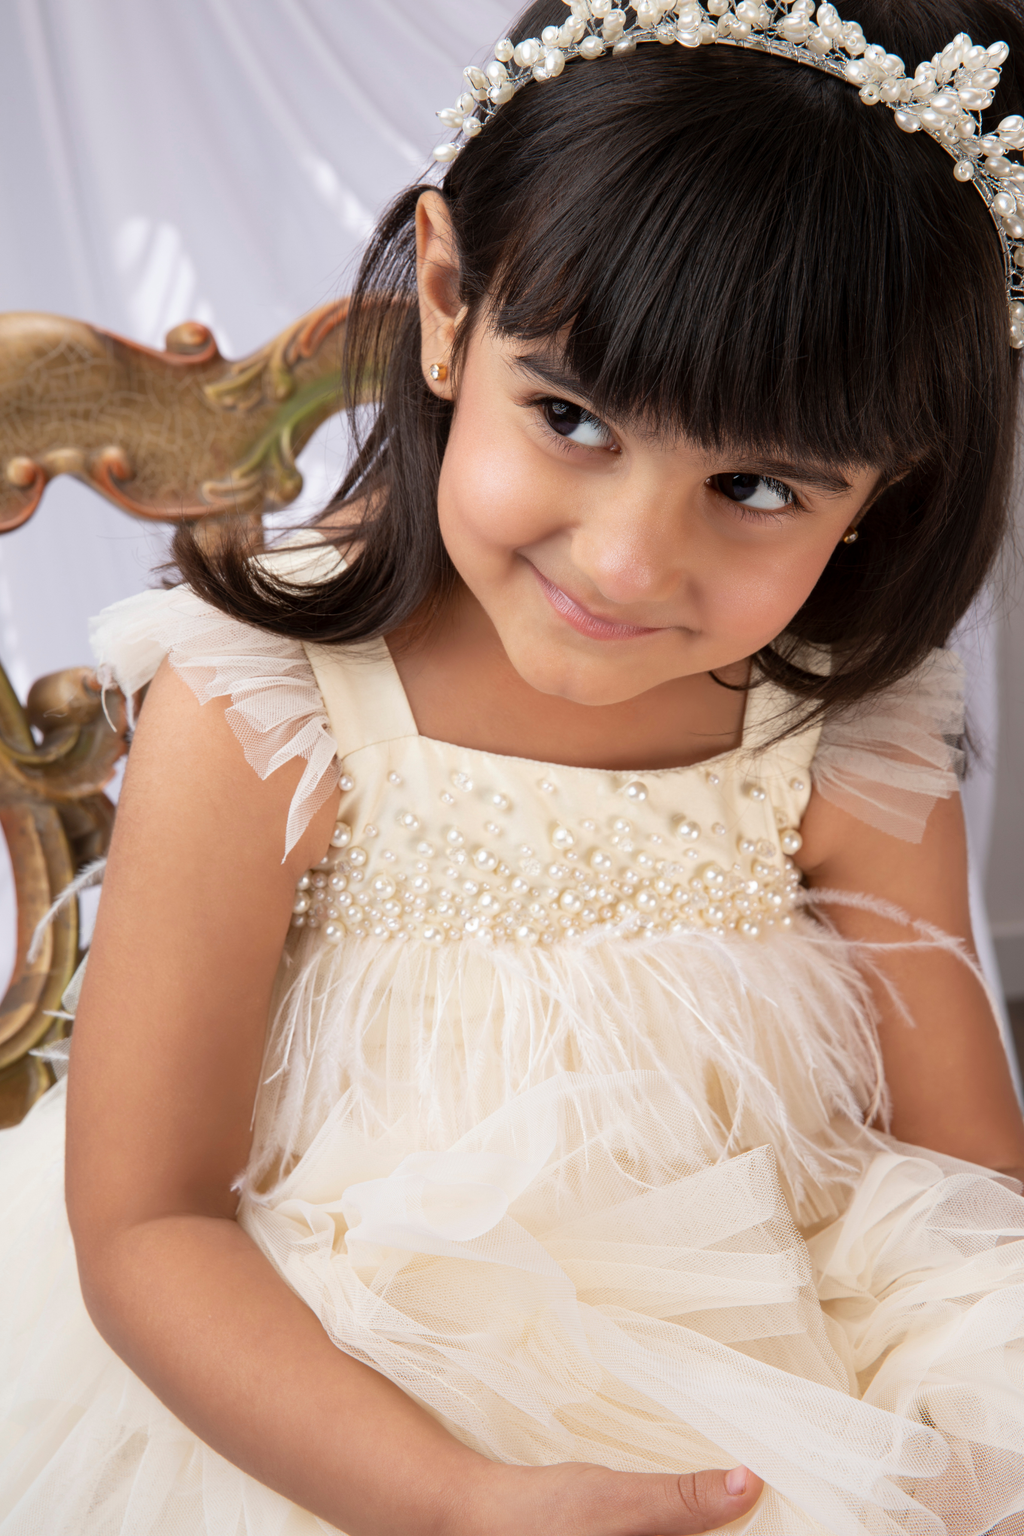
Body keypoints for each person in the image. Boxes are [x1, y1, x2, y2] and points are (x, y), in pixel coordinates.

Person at [3, 0, 1024, 1531]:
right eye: (571, 417)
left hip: (768, 1393)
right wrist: (462, 1502)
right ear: (443, 299)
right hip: (330, 1409)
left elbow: (966, 1188)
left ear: (891, 490)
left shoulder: (836, 735)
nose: (627, 559)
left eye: (755, 485)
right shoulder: (270, 705)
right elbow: (148, 1220)